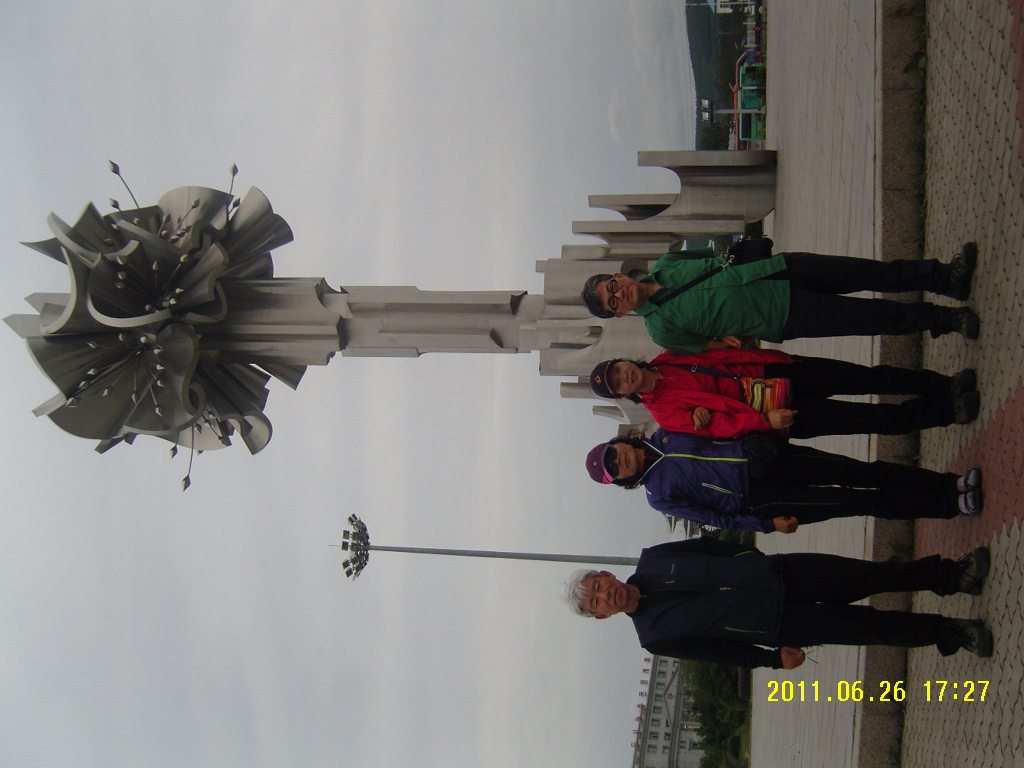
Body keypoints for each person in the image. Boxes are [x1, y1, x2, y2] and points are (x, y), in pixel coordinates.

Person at [564, 537, 993, 669]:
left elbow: (711, 546)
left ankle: (951, 577)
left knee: (875, 575)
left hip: (783, 572)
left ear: (607, 575)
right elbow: (719, 652)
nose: (605, 595)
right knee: (872, 627)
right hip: (780, 624)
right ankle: (950, 632)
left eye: (598, 585)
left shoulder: (653, 558)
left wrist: (749, 557)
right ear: (602, 616)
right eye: (597, 603)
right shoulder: (654, 638)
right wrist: (772, 660)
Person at [580, 245, 980, 353]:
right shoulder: (661, 330)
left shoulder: (668, 262)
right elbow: (709, 347)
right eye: (613, 303)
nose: (619, 295)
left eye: (612, 287)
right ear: (620, 315)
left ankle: (945, 277)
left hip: (778, 269)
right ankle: (944, 321)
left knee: (868, 271)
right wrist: (726, 340)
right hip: (781, 314)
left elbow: (716, 257)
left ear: (619, 277)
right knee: (869, 317)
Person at [584, 428, 982, 532]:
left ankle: (950, 483)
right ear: (620, 480)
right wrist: (765, 525)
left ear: (619, 442)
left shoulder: (667, 433)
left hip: (766, 458)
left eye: (613, 453)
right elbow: (715, 518)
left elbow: (723, 422)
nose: (620, 460)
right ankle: (949, 506)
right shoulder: (658, 495)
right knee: (856, 501)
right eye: (614, 468)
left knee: (863, 471)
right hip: (763, 498)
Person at [587, 349, 979, 439]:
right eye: (618, 383)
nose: (625, 376)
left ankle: (943, 386)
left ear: (623, 360)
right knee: (866, 419)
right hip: (774, 410)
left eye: (618, 369)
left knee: (867, 377)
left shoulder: (667, 356)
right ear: (623, 395)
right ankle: (948, 412)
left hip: (775, 371)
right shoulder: (663, 413)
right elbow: (720, 428)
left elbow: (716, 350)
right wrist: (764, 421)